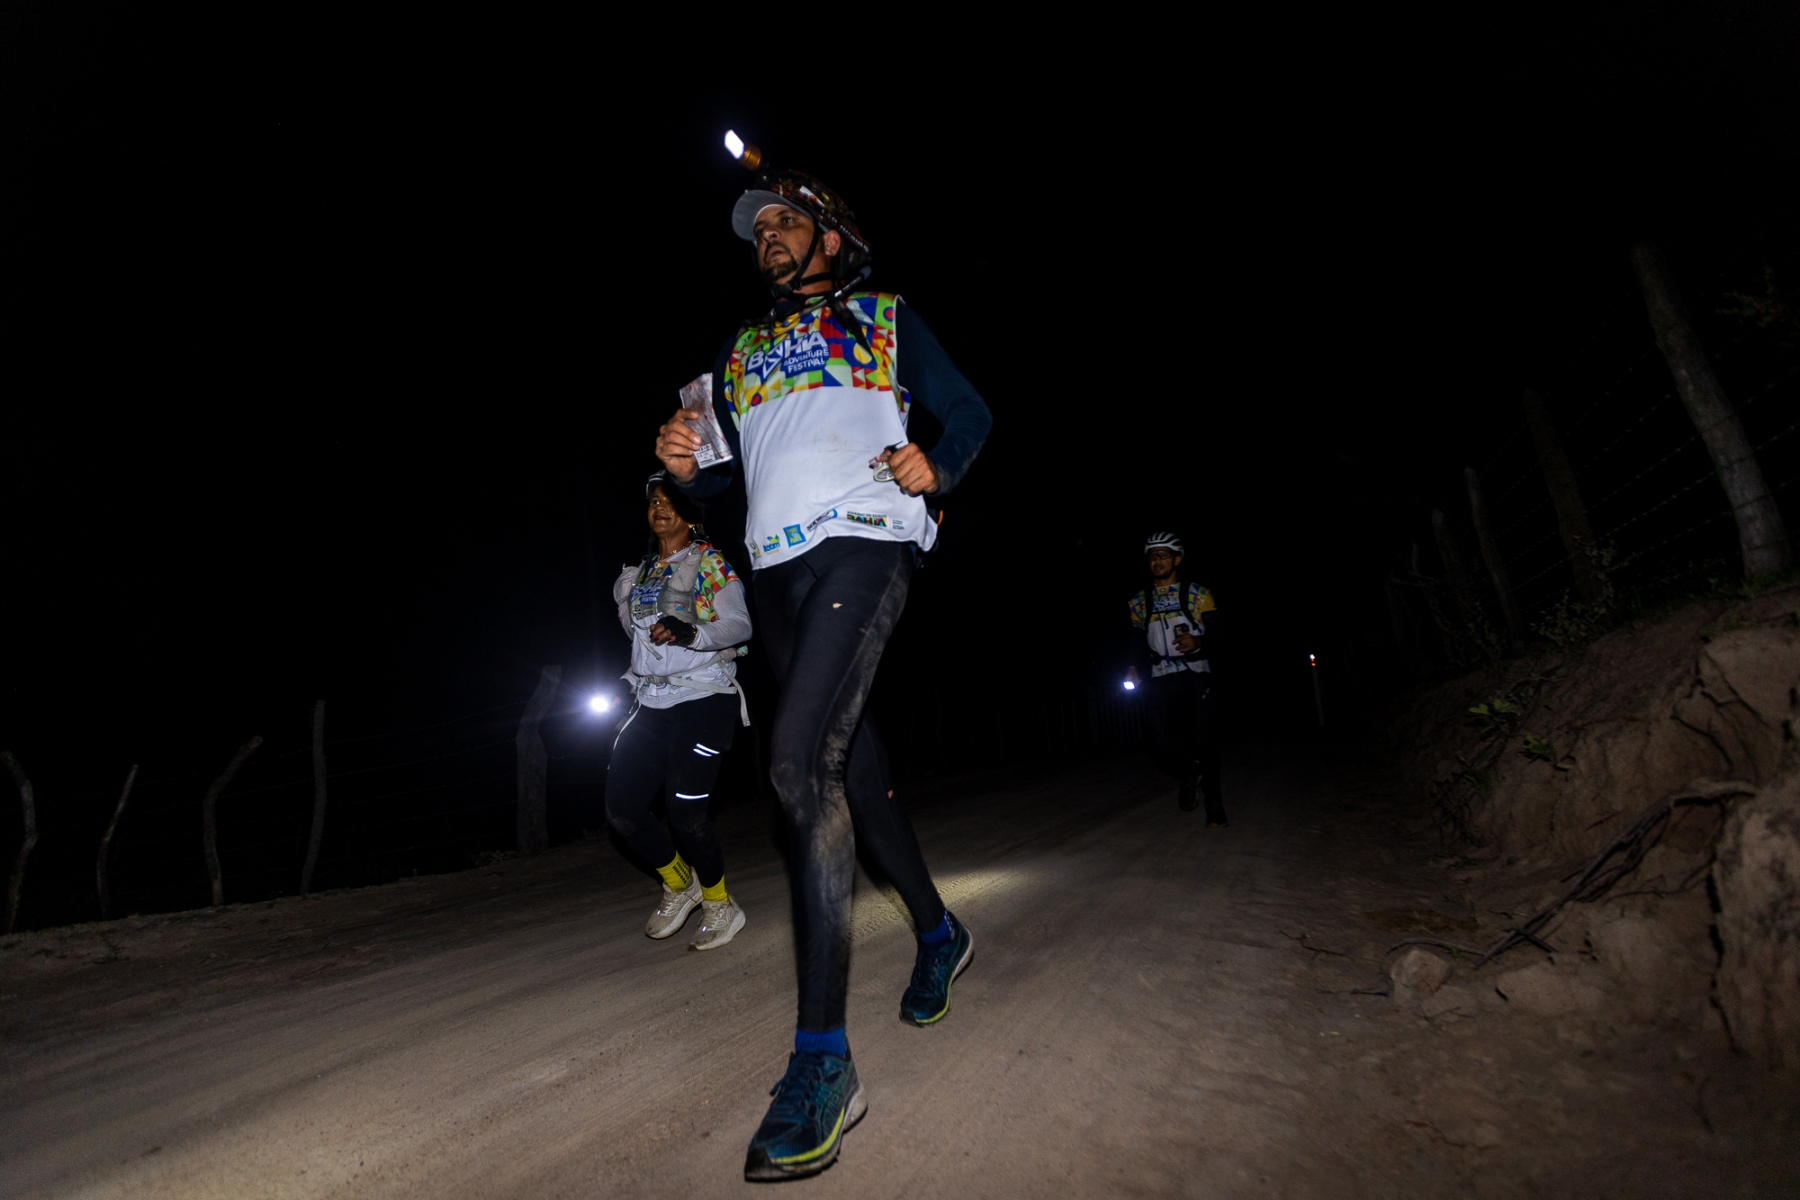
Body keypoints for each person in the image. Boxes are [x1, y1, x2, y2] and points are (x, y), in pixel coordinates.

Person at [654, 161, 991, 1181]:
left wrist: (940, 463)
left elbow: (968, 411)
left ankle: (824, 1062)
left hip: (866, 541)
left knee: (799, 763)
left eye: (786, 223)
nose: (767, 236)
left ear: (831, 238)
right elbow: (720, 474)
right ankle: (938, 931)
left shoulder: (883, 317)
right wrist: (685, 468)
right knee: (852, 769)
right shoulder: (739, 350)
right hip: (777, 573)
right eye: (758, 230)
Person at [605, 472, 752, 951]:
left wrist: (692, 632)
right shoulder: (640, 574)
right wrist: (630, 675)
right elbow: (643, 644)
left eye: (670, 501)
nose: (659, 507)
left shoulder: (709, 563)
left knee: (685, 810)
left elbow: (739, 624)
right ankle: (679, 883)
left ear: (691, 514)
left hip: (704, 699)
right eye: (654, 501)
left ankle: (720, 904)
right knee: (622, 809)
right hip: (652, 702)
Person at [1125, 532, 1227, 825]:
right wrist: (1132, 666)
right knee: (1158, 739)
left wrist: (1199, 642)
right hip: (1159, 675)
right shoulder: (1139, 601)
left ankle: (1215, 806)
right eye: (1152, 556)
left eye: (1164, 555)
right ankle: (1189, 772)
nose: (1157, 560)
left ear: (1177, 559)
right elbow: (1136, 638)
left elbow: (1220, 635)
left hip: (1195, 673)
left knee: (1203, 739)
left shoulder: (1197, 594)